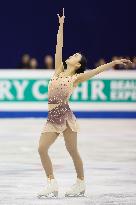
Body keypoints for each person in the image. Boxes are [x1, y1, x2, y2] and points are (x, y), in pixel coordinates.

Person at [37, 8, 131, 198]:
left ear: (78, 65)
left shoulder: (76, 78)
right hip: (52, 117)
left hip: (66, 116)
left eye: (75, 57)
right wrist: (61, 25)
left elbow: (96, 71)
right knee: (41, 149)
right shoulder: (57, 71)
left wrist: (114, 63)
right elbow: (59, 46)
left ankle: (80, 183)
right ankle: (51, 183)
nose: (70, 56)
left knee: (73, 151)